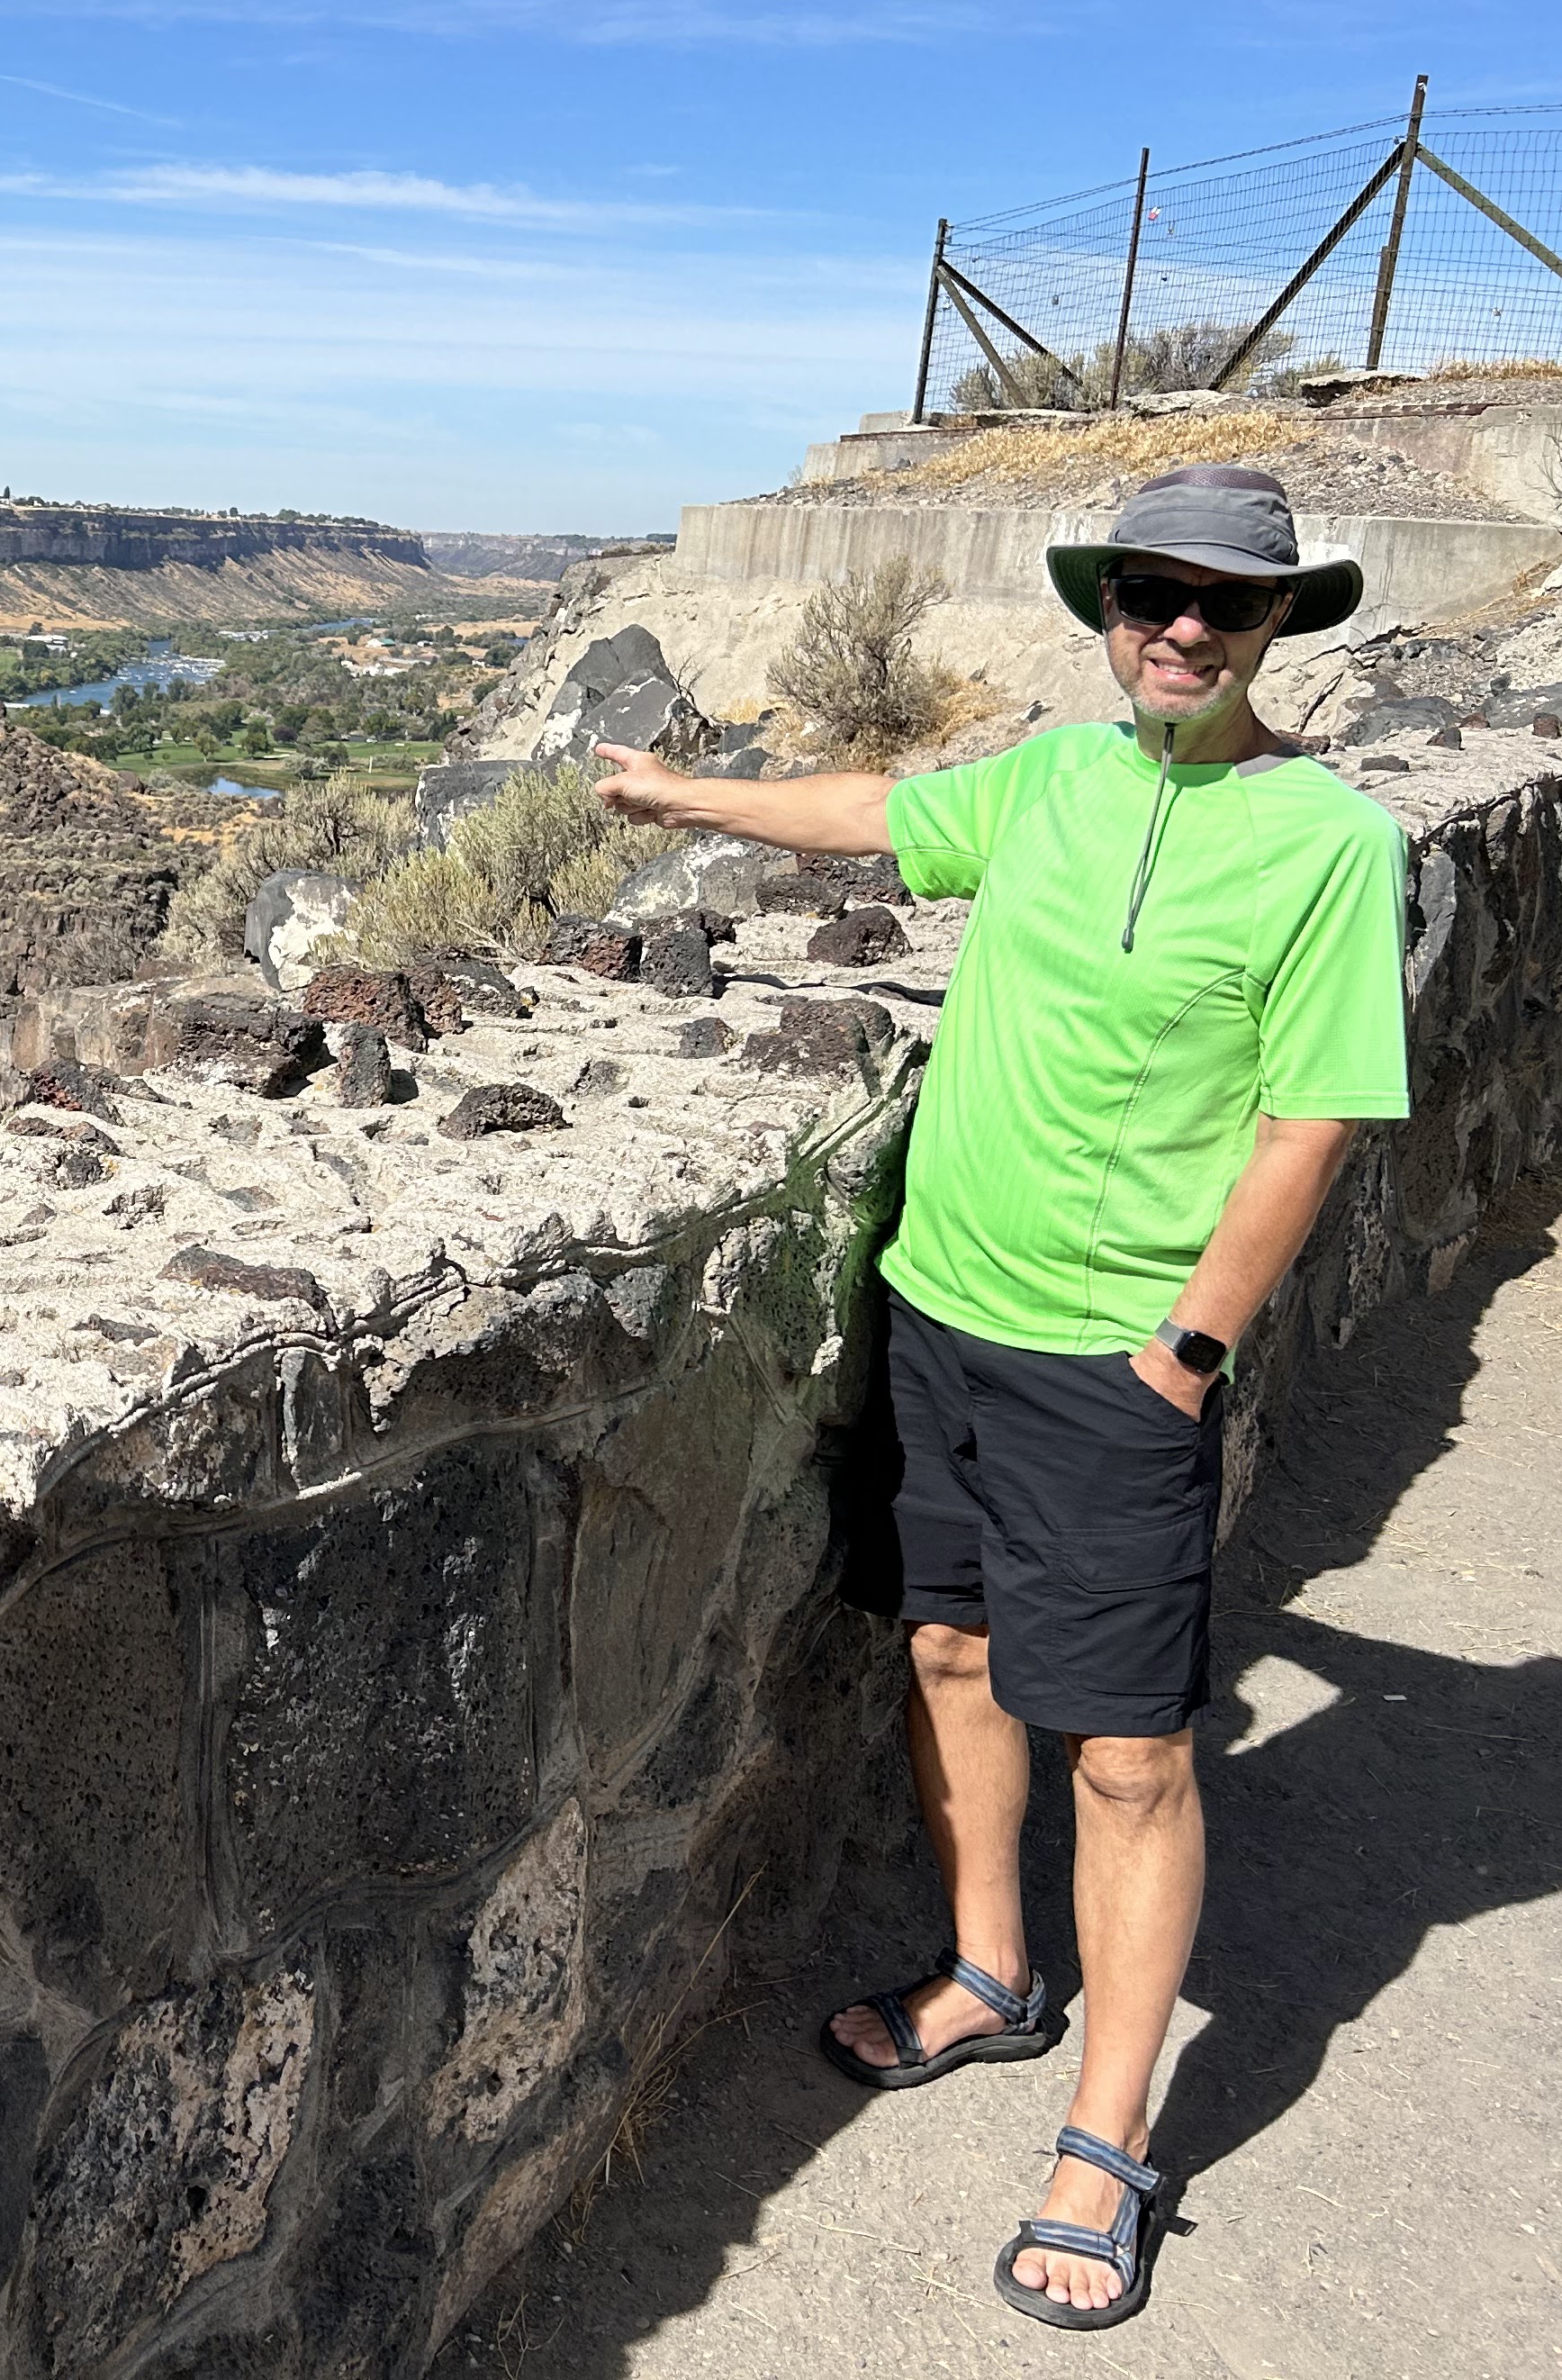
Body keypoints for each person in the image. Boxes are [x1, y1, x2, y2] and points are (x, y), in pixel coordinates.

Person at [590, 466, 1411, 2332]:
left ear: (1282, 624)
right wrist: (673, 790)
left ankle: (1110, 2143)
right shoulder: (1051, 777)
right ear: (1110, 603)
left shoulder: (1332, 846)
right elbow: (883, 809)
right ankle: (986, 1975)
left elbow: (1320, 1115)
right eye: (1151, 591)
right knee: (950, 1659)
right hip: (941, 1311)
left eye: (1227, 602)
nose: (1183, 627)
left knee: (1128, 1753)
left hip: (1115, 1360)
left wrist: (1185, 1351)